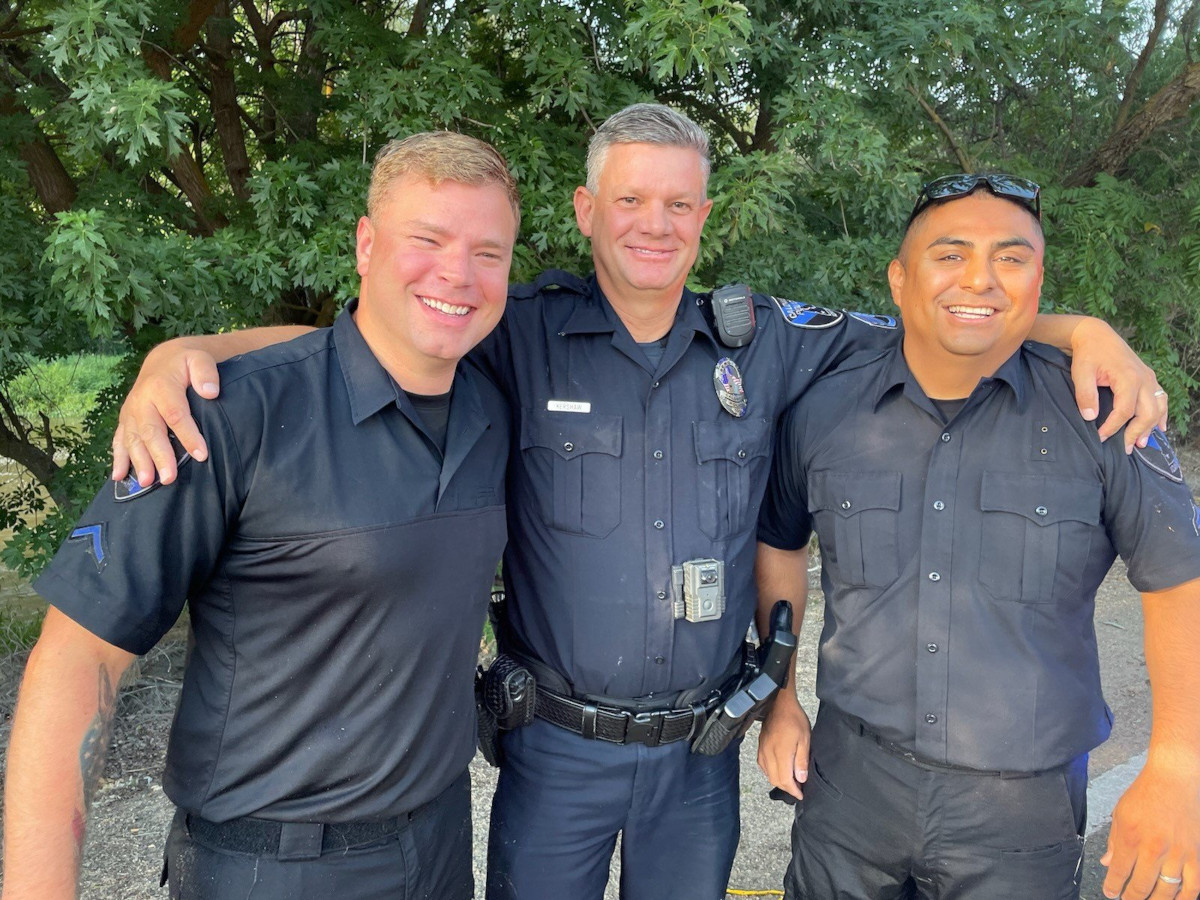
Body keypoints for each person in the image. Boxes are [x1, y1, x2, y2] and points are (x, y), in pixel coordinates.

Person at [105, 107, 1168, 900]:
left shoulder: (774, 339)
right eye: (629, 200)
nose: (653, 224)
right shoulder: (515, 326)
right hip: (554, 751)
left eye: (677, 203)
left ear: (704, 216)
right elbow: (365, 338)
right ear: (586, 211)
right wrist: (188, 352)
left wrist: (1081, 332)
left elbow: (949, 313)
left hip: (696, 759)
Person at [1, 131, 519, 900]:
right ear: (366, 246)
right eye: (429, 239)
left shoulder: (490, 405)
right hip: (272, 868)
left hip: (441, 851)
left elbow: (364, 348)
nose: (458, 273)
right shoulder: (222, 417)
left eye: (489, 252)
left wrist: (200, 341)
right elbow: (77, 662)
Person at [756, 174, 1200, 900]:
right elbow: (777, 543)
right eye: (950, 254)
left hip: (1020, 815)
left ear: (1039, 281)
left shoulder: (1104, 413)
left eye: (1012, 259)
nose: (981, 279)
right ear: (899, 280)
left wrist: (1179, 768)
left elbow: (1181, 577)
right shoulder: (825, 407)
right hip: (849, 793)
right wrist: (780, 698)